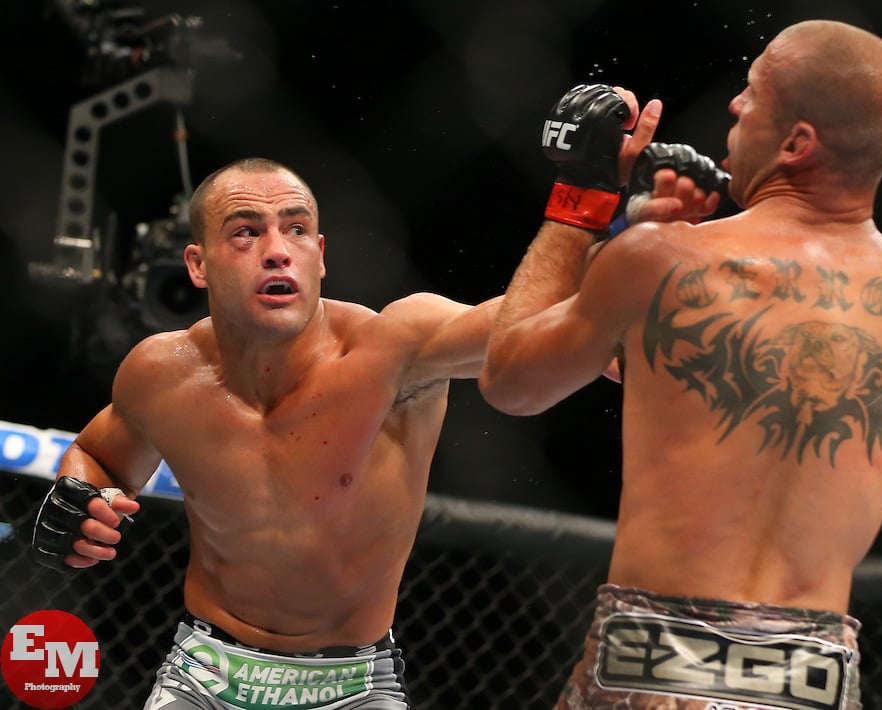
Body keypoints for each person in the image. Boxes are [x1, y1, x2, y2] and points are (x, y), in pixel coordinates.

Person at [29, 111, 676, 707]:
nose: (277, 250)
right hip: (203, 671)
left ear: (321, 255)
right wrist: (78, 501)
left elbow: (515, 326)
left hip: (350, 686)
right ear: (197, 264)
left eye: (297, 230)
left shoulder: (394, 347)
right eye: (246, 233)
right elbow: (98, 456)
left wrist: (599, 228)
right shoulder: (161, 372)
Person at [479, 20, 882, 710]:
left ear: (796, 144)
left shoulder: (663, 261)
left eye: (754, 93)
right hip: (809, 676)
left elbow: (512, 382)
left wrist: (586, 202)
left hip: (659, 662)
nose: (733, 105)